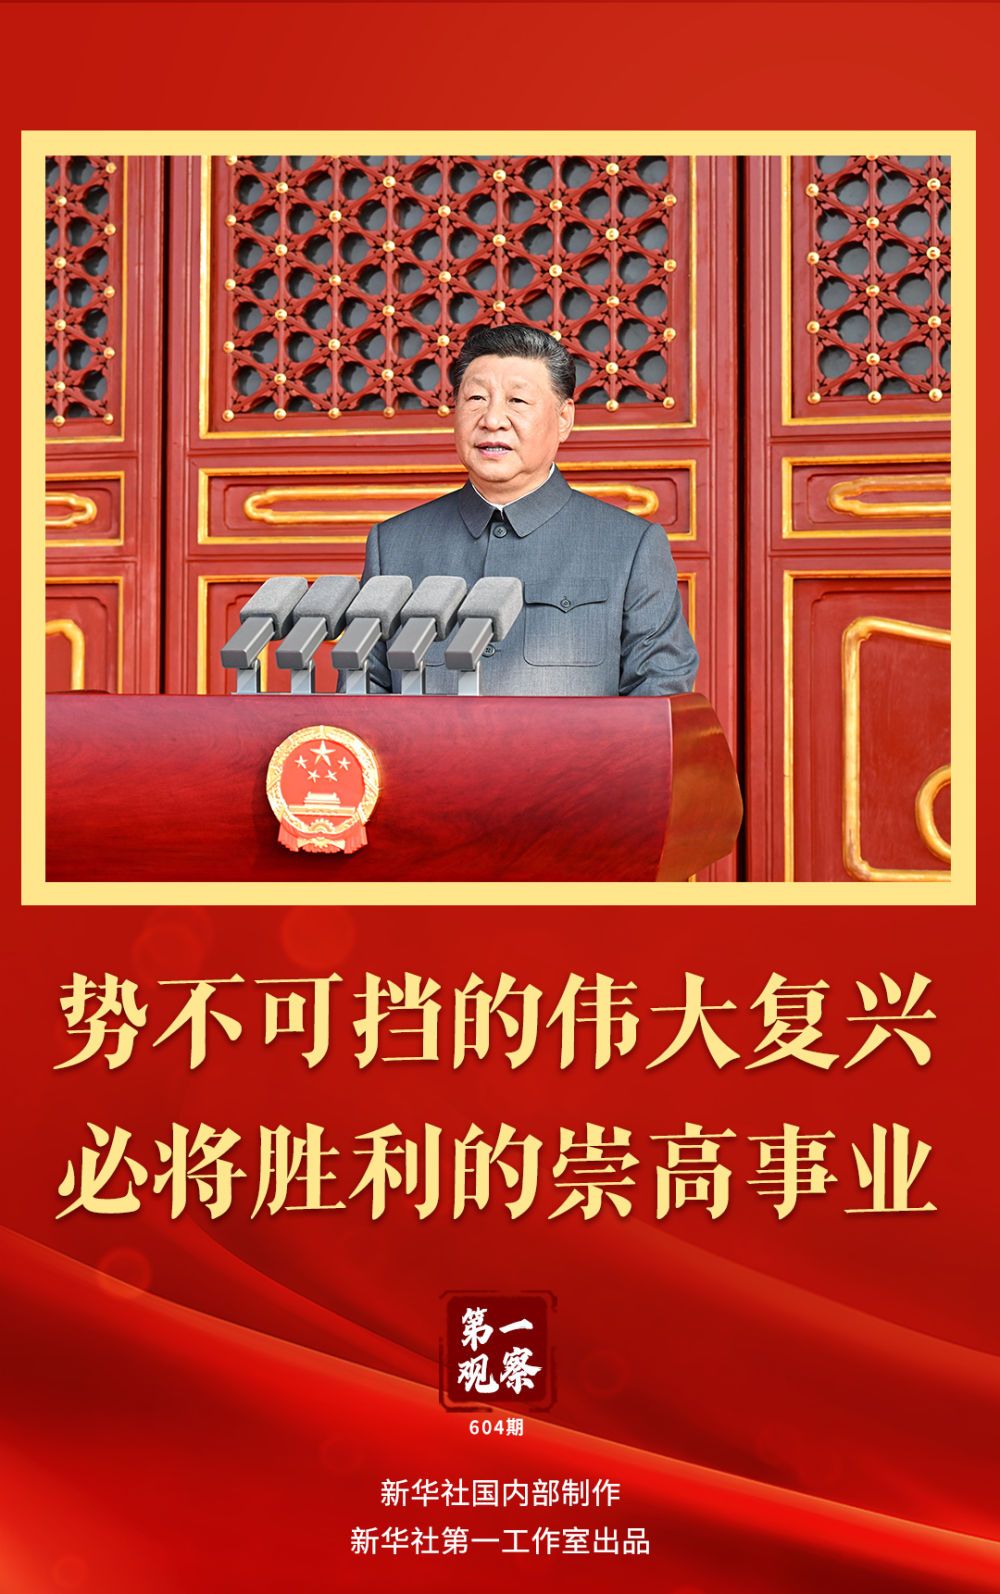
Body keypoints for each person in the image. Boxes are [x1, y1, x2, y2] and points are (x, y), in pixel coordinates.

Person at [353, 322, 698, 696]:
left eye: (517, 401)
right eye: (476, 398)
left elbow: (659, 692)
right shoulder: (394, 544)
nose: (492, 420)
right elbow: (360, 695)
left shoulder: (629, 546)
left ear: (564, 419)